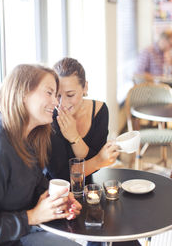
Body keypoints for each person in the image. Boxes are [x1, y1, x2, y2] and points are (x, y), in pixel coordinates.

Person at [0, 64, 82, 246]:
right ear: (22, 94)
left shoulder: (28, 138)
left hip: (19, 234)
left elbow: (34, 185)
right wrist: (31, 216)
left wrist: (58, 200)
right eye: (49, 93)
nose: (56, 102)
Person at [45, 57, 141, 246]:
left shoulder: (99, 110)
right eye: (58, 95)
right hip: (56, 197)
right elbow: (63, 177)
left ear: (85, 87)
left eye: (70, 94)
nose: (62, 103)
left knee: (120, 233)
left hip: (89, 188)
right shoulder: (50, 118)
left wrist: (75, 138)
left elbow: (90, 164)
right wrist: (98, 160)